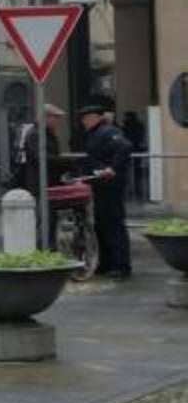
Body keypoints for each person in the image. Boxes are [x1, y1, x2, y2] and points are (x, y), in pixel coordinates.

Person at [78, 104, 133, 280]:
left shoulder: (108, 131)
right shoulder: (94, 133)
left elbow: (125, 147)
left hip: (110, 186)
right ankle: (106, 263)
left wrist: (112, 168)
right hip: (100, 185)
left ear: (95, 117)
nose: (83, 121)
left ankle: (121, 265)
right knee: (101, 225)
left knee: (113, 225)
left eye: (86, 118)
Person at [18, 105, 69, 196]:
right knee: (43, 208)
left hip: (50, 180)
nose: (57, 121)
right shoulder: (35, 134)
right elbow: (41, 157)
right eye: (55, 117)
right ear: (46, 117)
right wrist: (65, 161)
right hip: (40, 182)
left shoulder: (48, 133)